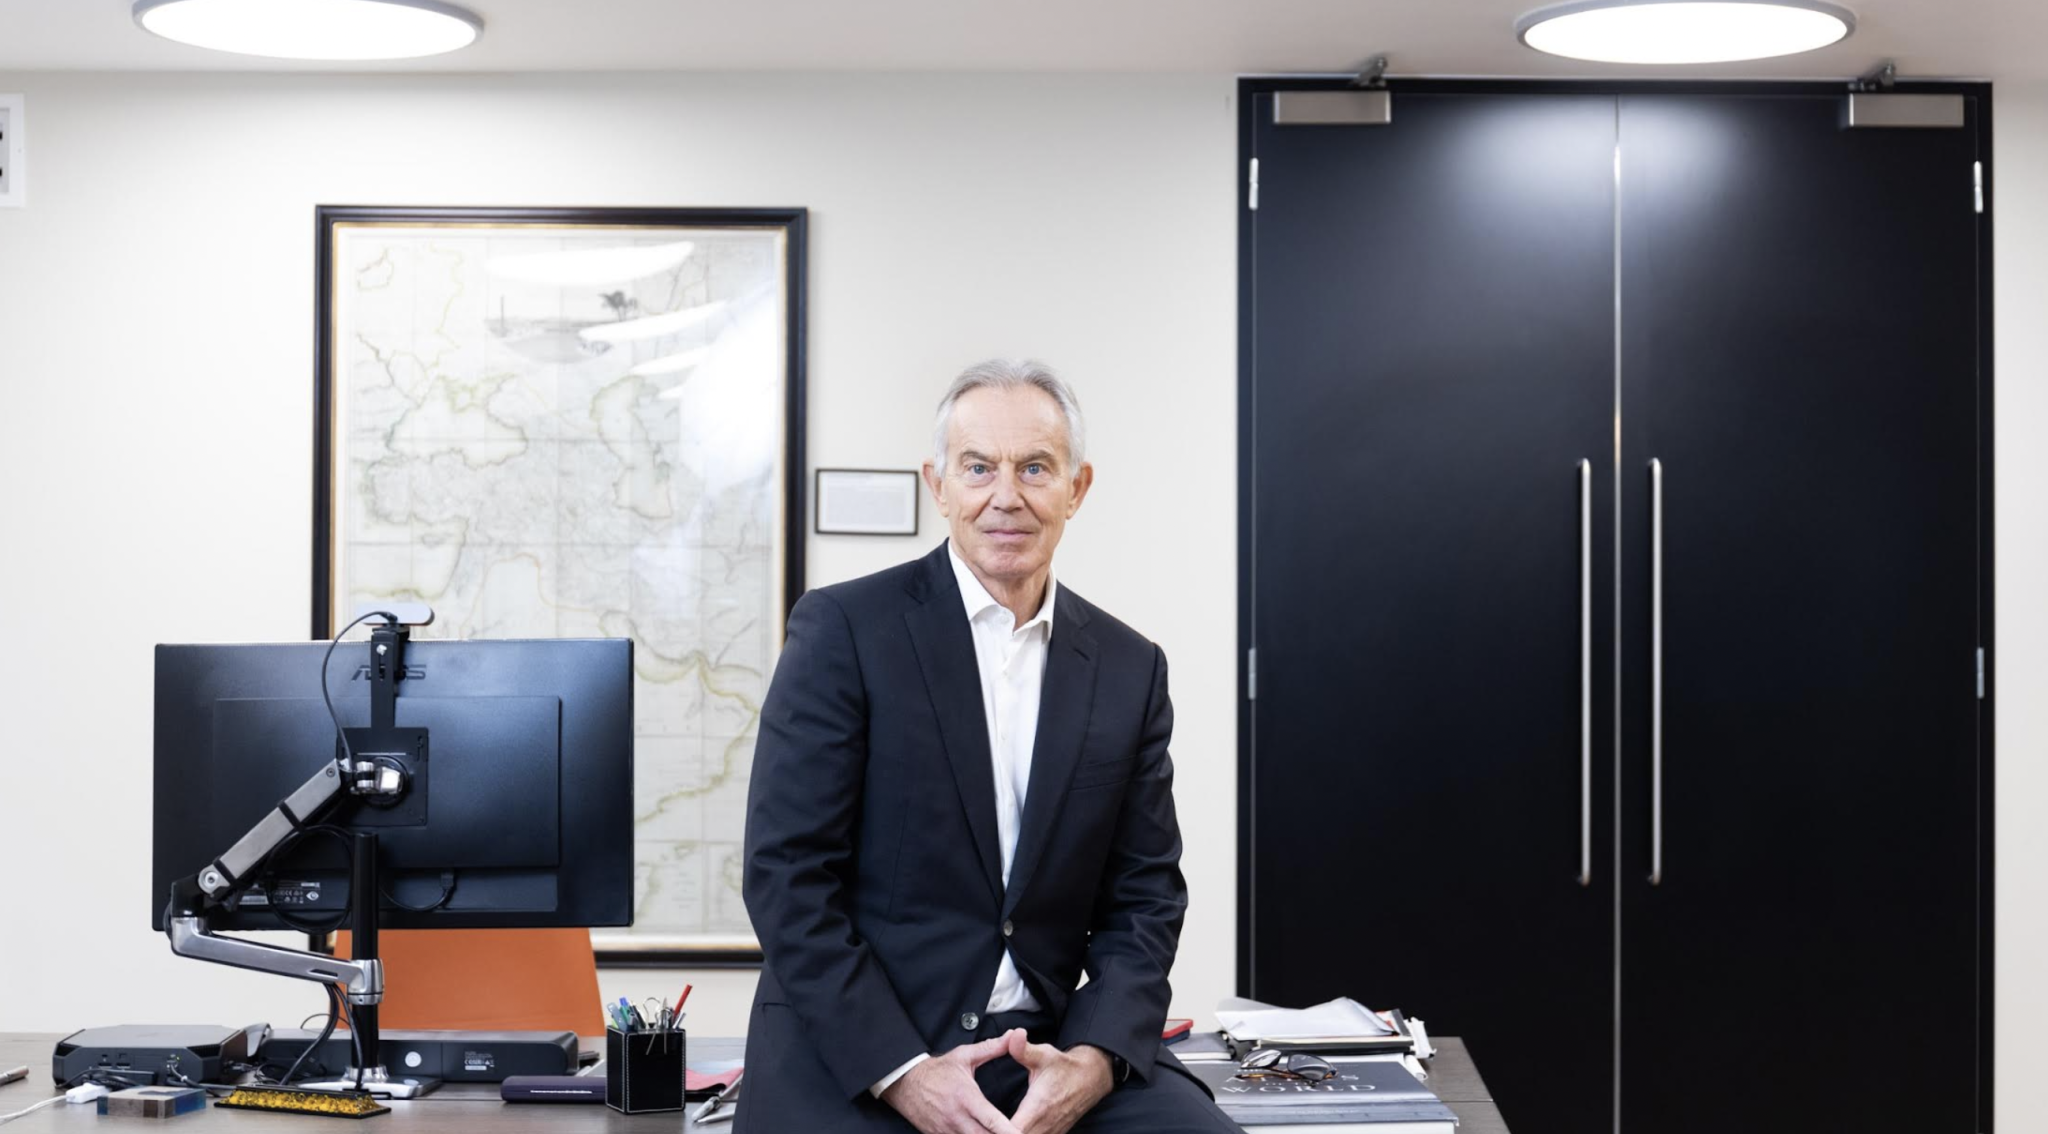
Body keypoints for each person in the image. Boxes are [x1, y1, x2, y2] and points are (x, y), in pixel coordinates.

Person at [738, 360, 1237, 1134]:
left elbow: (1145, 899)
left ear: (1077, 488)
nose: (1006, 495)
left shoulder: (1129, 667)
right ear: (939, 485)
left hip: (1044, 1050)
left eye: (1035, 467)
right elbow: (786, 877)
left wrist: (1093, 1060)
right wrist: (904, 1074)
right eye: (978, 468)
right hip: (867, 1052)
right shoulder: (844, 632)